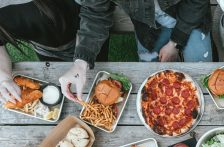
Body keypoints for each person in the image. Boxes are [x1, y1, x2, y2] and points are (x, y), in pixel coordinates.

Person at [59, 0, 212, 102]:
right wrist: (80, 63)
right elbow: (95, 12)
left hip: (190, 18)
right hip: (149, 27)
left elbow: (196, 2)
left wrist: (175, 43)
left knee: (204, 82)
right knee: (151, 91)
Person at [0, 0, 110, 105]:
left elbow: (96, 10)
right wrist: (4, 77)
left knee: (99, 81)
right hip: (45, 50)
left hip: (88, 39)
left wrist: (82, 61)